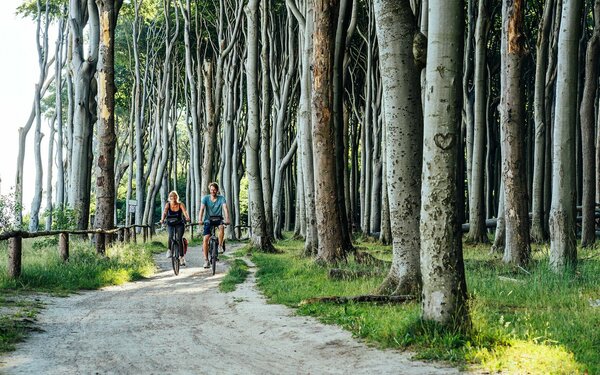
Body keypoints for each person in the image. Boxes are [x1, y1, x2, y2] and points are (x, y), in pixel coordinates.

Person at [198, 182, 230, 268]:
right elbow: (202, 209)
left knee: (222, 227)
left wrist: (227, 219)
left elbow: (225, 208)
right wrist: (200, 219)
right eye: (211, 189)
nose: (213, 191)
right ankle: (206, 260)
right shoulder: (205, 198)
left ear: (217, 190)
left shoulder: (221, 198)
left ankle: (219, 246)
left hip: (218, 218)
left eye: (214, 190)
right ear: (210, 190)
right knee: (205, 238)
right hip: (208, 220)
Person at [160, 191, 191, 266]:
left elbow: (184, 211)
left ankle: (181, 257)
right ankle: (169, 250)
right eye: (171, 196)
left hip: (179, 223)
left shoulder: (180, 204)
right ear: (169, 198)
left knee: (179, 238)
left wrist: (187, 217)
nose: (173, 198)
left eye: (174, 196)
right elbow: (164, 212)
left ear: (177, 197)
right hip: (170, 223)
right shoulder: (168, 204)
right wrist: (162, 219)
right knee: (170, 236)